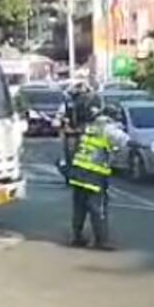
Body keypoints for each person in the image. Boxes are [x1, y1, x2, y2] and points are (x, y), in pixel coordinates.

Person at [65, 104, 115, 250]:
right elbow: (124, 141)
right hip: (94, 176)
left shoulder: (87, 129)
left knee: (79, 208)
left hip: (78, 173)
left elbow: (72, 148)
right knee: (97, 209)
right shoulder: (108, 129)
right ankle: (101, 241)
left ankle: (77, 237)